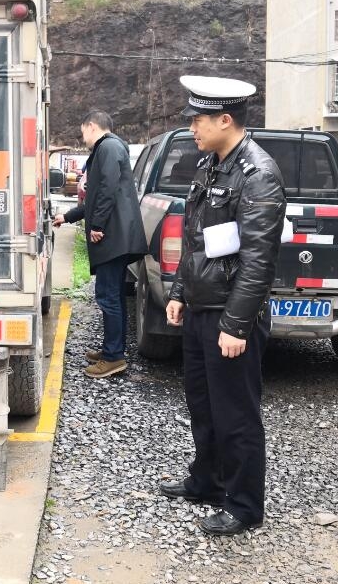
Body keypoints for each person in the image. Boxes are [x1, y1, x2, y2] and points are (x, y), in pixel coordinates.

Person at [161, 76, 286, 536]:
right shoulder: (209, 166)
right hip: (201, 307)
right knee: (203, 404)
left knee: (235, 413)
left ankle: (244, 504)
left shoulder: (257, 174)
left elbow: (258, 261)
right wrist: (179, 293)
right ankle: (207, 481)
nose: (192, 127)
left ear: (225, 120)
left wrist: (236, 325)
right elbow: (194, 239)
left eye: (198, 119)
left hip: (230, 314)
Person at [53, 111, 148, 378]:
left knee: (108, 296)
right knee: (114, 295)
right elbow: (95, 197)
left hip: (113, 237)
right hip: (117, 237)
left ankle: (113, 357)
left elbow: (106, 189)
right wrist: (68, 216)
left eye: (83, 130)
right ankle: (112, 350)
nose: (82, 136)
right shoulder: (111, 148)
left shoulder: (108, 147)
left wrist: (98, 225)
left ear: (92, 126)